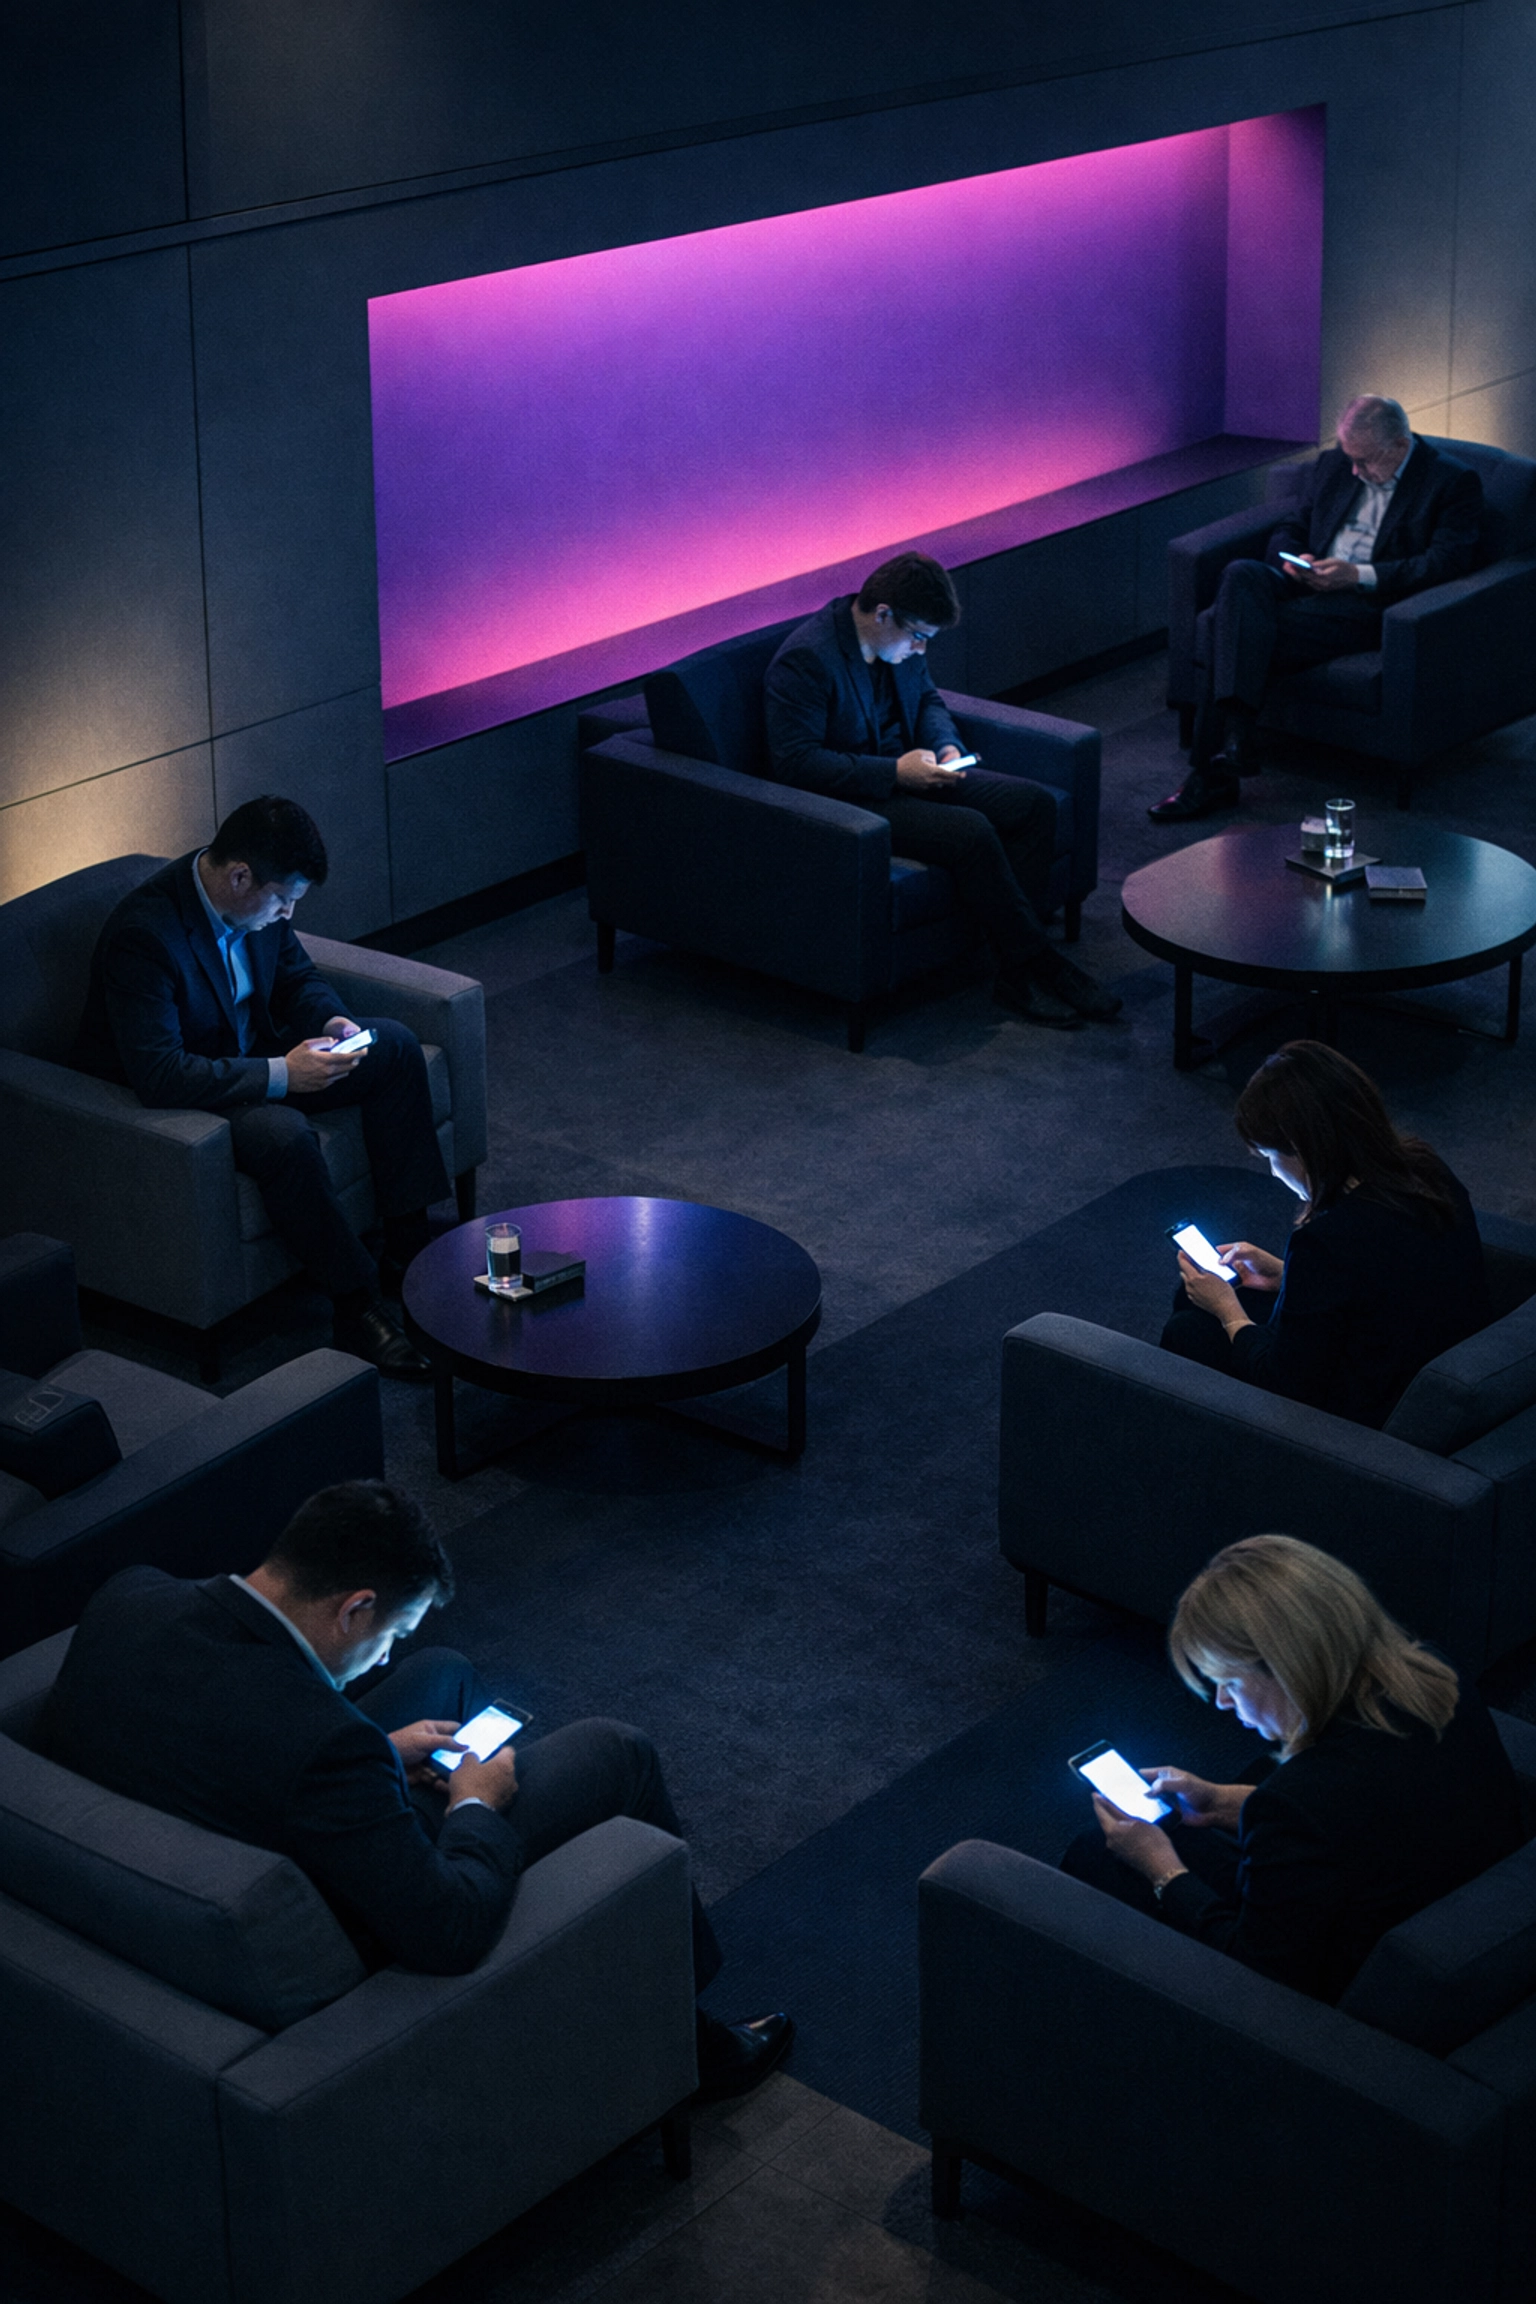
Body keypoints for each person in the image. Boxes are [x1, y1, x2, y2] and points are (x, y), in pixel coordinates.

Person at [35, 1479, 794, 2100]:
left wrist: (379, 1752)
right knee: (617, 1752)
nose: (385, 1657)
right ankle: (689, 2035)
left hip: (193, 1821)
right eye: (391, 1634)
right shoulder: (322, 1746)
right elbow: (446, 1929)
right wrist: (473, 1803)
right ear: (355, 1606)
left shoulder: (129, 1598)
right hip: (323, 1892)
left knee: (444, 1674)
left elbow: (225, 1735)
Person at [1062, 1534, 1525, 2001]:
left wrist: (1161, 1869)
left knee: (1098, 1854)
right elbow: (1363, 1816)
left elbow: (1256, 1972)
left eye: (1230, 1683)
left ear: (1288, 1667)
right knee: (1183, 1830)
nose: (1222, 1701)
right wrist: (1217, 1800)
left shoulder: (1299, 1801)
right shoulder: (1438, 1675)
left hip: (1341, 1991)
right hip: (1456, 1913)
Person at [73, 795, 441, 1379]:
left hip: (260, 1059)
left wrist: (334, 1023)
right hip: (194, 1090)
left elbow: (296, 978)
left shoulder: (254, 907)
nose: (289, 914)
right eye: (284, 898)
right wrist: (281, 1074)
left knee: (391, 1044)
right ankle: (356, 1305)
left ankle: (410, 1248)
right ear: (240, 876)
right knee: (283, 1134)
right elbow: (161, 1072)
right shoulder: (145, 937)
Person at [764, 552, 1121, 1030]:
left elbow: (929, 698)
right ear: (883, 612)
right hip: (856, 796)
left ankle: (1017, 969)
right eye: (919, 636)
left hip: (916, 769)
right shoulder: (809, 659)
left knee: (1033, 805)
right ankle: (1038, 962)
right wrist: (894, 772)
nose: (921, 649)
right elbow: (796, 764)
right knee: (971, 831)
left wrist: (946, 744)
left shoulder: (898, 645)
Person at [1150, 395, 1484, 821]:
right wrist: (1297, 560)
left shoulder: (1450, 482)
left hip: (1363, 604)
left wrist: (1358, 575)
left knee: (1224, 624)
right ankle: (1235, 741)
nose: (1355, 472)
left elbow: (1444, 564)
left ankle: (1211, 773)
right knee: (1240, 574)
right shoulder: (1334, 465)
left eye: (1364, 462)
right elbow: (1291, 527)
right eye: (1350, 459)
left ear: (1399, 447)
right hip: (1305, 586)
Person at [1161, 1040, 1488, 1428]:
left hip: (1358, 1415)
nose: (1272, 1171)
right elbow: (1388, 1279)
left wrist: (1229, 1313)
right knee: (1201, 1295)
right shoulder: (1428, 1171)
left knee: (1190, 1326)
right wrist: (1288, 1275)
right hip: (1413, 1361)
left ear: (1302, 1149)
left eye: (1270, 1156)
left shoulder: (1328, 1241)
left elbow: (1283, 1381)